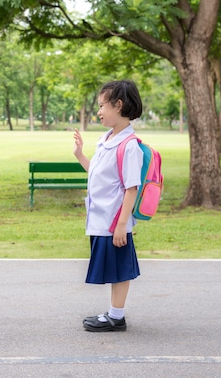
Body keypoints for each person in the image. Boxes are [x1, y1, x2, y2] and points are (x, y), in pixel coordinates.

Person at [72, 80, 144, 332]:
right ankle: (115, 314)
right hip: (102, 219)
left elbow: (131, 188)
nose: (99, 111)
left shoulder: (129, 145)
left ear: (119, 105)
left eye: (103, 105)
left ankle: (116, 316)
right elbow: (98, 175)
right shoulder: (106, 140)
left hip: (115, 221)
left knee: (120, 269)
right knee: (115, 267)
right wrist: (80, 155)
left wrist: (122, 225)